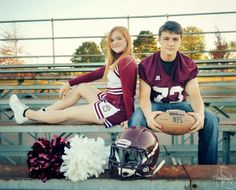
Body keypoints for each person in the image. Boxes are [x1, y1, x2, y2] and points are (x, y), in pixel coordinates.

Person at [9, 26, 137, 129]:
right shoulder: (118, 61)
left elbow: (128, 94)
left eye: (119, 38)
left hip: (115, 111)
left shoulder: (126, 63)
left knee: (69, 112)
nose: (115, 43)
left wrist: (131, 121)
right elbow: (94, 74)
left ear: (127, 40)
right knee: (82, 87)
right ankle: (42, 113)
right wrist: (69, 83)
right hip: (110, 101)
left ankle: (26, 113)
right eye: (112, 40)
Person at [128, 21, 219, 164]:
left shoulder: (188, 65)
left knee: (211, 120)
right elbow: (144, 98)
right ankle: (135, 166)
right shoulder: (147, 64)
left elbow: (195, 96)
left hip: (180, 105)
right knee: (136, 120)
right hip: (155, 105)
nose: (170, 43)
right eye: (166, 38)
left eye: (175, 39)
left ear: (180, 41)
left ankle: (208, 167)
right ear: (159, 40)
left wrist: (200, 115)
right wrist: (149, 115)